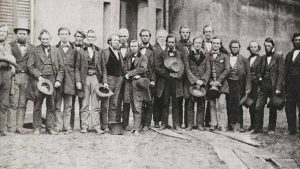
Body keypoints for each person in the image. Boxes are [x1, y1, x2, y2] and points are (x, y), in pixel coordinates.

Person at [27, 29, 64, 135]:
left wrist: (58, 80)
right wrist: (38, 76)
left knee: (51, 105)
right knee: (37, 105)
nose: (45, 41)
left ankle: (50, 128)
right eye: (43, 39)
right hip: (40, 81)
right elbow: (30, 66)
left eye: (47, 39)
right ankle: (37, 128)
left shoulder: (55, 50)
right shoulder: (35, 50)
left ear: (50, 39)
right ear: (40, 39)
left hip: (52, 80)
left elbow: (61, 67)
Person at [77, 29, 108, 134]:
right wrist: (78, 81)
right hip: (85, 78)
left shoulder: (100, 51)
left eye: (92, 37)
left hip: (95, 77)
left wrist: (104, 81)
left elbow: (103, 67)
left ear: (95, 39)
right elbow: (77, 68)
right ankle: (84, 126)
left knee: (95, 103)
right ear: (86, 38)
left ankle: (96, 126)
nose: (91, 39)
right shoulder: (81, 51)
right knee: (84, 103)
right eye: (89, 37)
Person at [253, 38, 285, 134]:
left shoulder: (279, 57)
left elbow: (281, 74)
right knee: (258, 106)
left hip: (273, 85)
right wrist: (259, 78)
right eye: (265, 46)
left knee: (273, 107)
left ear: (273, 46)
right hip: (263, 85)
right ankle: (258, 128)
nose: (267, 48)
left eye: (269, 46)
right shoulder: (262, 58)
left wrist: (278, 88)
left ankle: (271, 129)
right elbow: (257, 71)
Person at [7, 20, 34, 134]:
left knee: (23, 103)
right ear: (16, 34)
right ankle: (11, 127)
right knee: (13, 103)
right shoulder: (10, 46)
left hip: (27, 78)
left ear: (27, 35)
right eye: (20, 33)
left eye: (24, 33)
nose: (22, 35)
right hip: (14, 77)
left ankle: (19, 126)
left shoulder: (32, 48)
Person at [155, 34, 185, 131]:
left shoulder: (180, 54)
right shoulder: (162, 54)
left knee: (176, 103)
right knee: (165, 102)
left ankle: (176, 124)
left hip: (176, 82)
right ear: (166, 43)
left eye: (173, 42)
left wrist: (178, 75)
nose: (171, 44)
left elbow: (184, 68)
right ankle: (164, 123)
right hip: (166, 82)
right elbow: (157, 68)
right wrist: (167, 75)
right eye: (169, 42)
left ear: (175, 43)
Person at [54, 27, 78, 134]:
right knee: (57, 105)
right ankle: (58, 126)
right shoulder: (54, 48)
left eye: (66, 34)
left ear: (69, 35)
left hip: (70, 81)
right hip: (58, 81)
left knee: (68, 106)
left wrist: (77, 81)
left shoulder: (75, 49)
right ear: (59, 35)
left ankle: (67, 126)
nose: (64, 36)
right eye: (61, 34)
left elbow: (77, 66)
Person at [123, 40, 150, 135]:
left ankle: (137, 128)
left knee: (138, 105)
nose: (133, 48)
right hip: (128, 84)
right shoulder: (128, 56)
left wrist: (130, 73)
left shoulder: (143, 57)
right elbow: (124, 67)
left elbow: (143, 68)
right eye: (131, 46)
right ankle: (135, 127)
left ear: (138, 47)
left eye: (135, 46)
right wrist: (127, 73)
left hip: (137, 84)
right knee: (132, 105)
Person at [184, 36, 210, 131]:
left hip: (202, 84)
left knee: (201, 104)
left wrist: (202, 81)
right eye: (196, 43)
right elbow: (187, 70)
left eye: (199, 43)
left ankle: (200, 124)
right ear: (193, 44)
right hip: (191, 83)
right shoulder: (188, 55)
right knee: (190, 105)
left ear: (202, 44)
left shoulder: (206, 56)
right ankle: (190, 124)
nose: (198, 44)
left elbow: (208, 70)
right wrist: (195, 81)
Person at [226, 40, 251, 132]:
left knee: (238, 104)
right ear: (230, 48)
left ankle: (239, 124)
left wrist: (248, 88)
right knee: (229, 104)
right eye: (233, 47)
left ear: (239, 48)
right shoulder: (226, 57)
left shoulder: (244, 59)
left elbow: (248, 75)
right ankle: (230, 124)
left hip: (239, 84)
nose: (235, 49)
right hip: (228, 84)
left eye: (237, 47)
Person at [207, 37, 230, 131]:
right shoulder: (207, 56)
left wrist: (218, 81)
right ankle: (213, 124)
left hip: (222, 84)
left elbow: (227, 69)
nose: (215, 45)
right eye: (214, 43)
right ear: (212, 44)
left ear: (220, 45)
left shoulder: (224, 56)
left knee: (221, 104)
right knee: (212, 105)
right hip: (211, 84)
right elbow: (206, 70)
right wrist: (210, 82)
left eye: (217, 43)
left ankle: (223, 124)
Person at [101, 34, 124, 125]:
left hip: (118, 79)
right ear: (110, 41)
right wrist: (105, 81)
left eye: (118, 40)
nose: (117, 42)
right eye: (115, 40)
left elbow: (122, 66)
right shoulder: (105, 52)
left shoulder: (118, 52)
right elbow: (103, 67)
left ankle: (111, 123)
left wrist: (122, 77)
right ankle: (104, 124)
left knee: (114, 102)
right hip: (109, 79)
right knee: (105, 103)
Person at [0, 24, 16, 136]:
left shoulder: (8, 46)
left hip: (6, 75)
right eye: (0, 31)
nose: (2, 33)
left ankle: (2, 129)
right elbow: (7, 59)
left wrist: (13, 65)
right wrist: (7, 59)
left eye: (4, 32)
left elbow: (11, 59)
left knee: (4, 103)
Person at [176, 25, 192, 129]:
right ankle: (178, 122)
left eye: (187, 32)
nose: (185, 34)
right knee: (178, 99)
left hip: (189, 77)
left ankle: (188, 123)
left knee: (189, 99)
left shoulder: (193, 45)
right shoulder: (177, 45)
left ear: (189, 34)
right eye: (183, 32)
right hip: (179, 76)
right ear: (180, 33)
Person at [139, 29, 155, 131]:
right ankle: (139, 122)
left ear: (149, 37)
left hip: (149, 78)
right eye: (143, 36)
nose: (145, 37)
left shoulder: (153, 50)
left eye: (147, 36)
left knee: (149, 101)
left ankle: (147, 124)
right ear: (140, 37)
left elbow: (155, 67)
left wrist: (153, 79)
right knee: (140, 101)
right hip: (139, 78)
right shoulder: (137, 48)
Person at [285, 33, 300, 135]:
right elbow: (285, 70)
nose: (298, 42)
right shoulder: (289, 54)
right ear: (293, 41)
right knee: (289, 107)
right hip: (290, 86)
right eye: (296, 40)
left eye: (299, 40)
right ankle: (292, 129)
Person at [152, 29, 168, 128]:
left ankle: (164, 122)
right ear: (157, 38)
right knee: (157, 99)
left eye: (164, 37)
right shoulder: (154, 48)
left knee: (165, 100)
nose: (162, 39)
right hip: (157, 78)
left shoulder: (168, 48)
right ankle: (156, 121)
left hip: (167, 79)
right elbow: (153, 65)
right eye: (160, 37)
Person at [71, 29, 86, 130]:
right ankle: (70, 126)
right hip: (71, 78)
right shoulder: (70, 46)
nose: (79, 38)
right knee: (71, 103)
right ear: (74, 37)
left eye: (81, 37)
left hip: (82, 77)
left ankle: (82, 126)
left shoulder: (86, 48)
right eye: (77, 36)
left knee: (82, 102)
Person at [116, 28, 131, 130]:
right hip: (117, 78)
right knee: (117, 100)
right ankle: (116, 122)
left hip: (128, 79)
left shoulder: (132, 49)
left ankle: (125, 123)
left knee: (127, 100)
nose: (122, 38)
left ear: (128, 37)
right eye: (120, 36)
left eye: (124, 36)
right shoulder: (115, 49)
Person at [247, 41, 263, 132]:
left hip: (258, 85)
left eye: (255, 47)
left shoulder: (261, 59)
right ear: (249, 49)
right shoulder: (248, 59)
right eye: (251, 47)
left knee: (258, 105)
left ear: (258, 48)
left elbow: (261, 72)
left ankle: (258, 126)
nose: (253, 48)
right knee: (251, 105)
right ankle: (252, 124)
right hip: (250, 85)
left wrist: (255, 77)